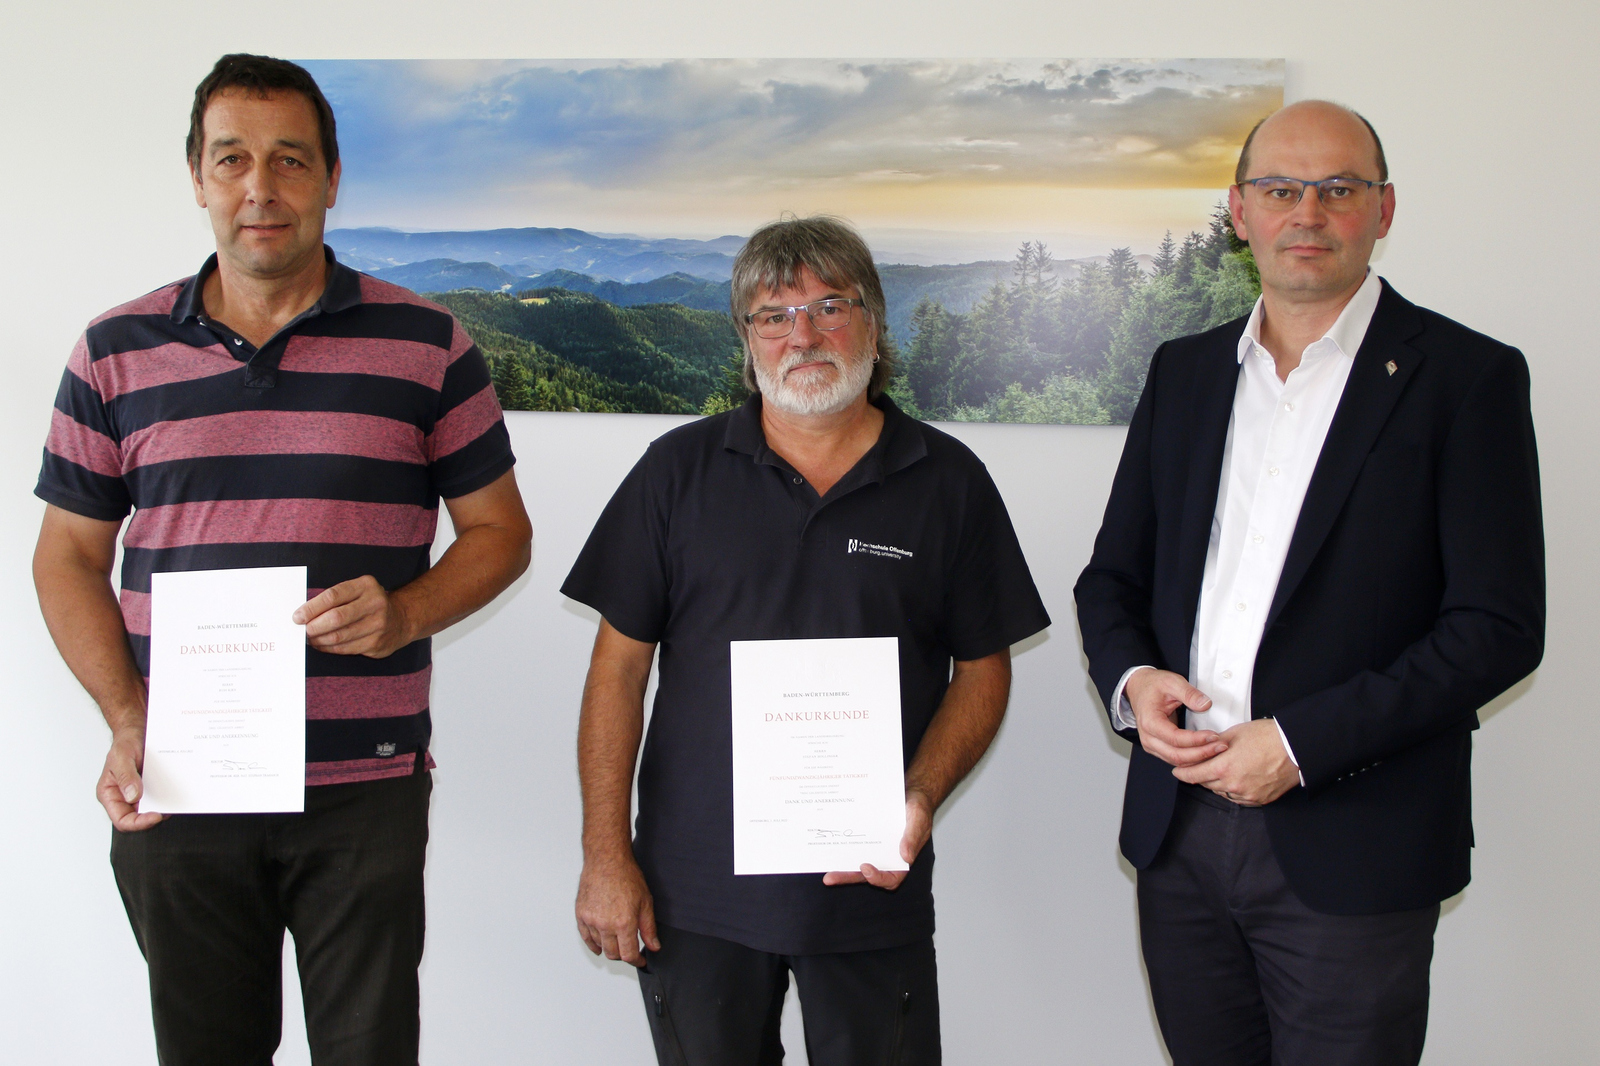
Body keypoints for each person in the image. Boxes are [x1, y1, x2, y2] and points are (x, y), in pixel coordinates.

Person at [32, 54, 532, 1065]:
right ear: (198, 176)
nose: (261, 188)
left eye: (290, 160)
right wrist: (132, 722)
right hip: (184, 783)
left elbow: (502, 533)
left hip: (365, 790)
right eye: (234, 160)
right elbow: (66, 560)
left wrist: (404, 612)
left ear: (332, 178)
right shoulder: (112, 350)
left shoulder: (428, 342)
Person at [1074, 99, 1544, 1065]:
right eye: (1280, 189)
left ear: (1385, 209)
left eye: (1340, 189)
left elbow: (1496, 626)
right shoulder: (1186, 372)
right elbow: (1110, 578)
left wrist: (1299, 744)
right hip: (1180, 838)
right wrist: (1132, 683)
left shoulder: (1465, 378)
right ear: (1239, 212)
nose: (1309, 212)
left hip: (1356, 847)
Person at [562, 215, 1050, 1065]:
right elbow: (616, 672)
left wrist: (921, 797)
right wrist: (606, 853)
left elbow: (982, 671)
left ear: (873, 320)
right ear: (745, 339)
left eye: (831, 305)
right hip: (695, 893)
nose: (805, 334)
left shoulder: (950, 482)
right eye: (774, 315)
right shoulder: (674, 473)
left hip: (869, 884)